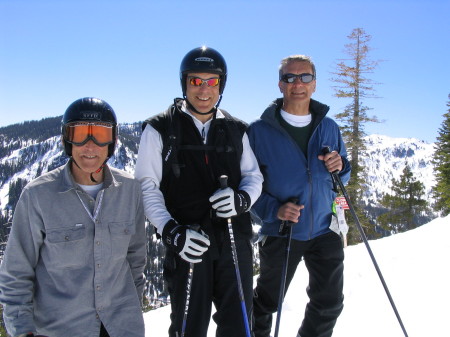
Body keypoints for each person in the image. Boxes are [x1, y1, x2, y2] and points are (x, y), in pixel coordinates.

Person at [135, 46, 263, 337]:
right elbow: (146, 186)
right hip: (188, 242)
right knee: (188, 327)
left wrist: (241, 200)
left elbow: (254, 177)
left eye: (212, 81)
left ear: (221, 85)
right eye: (195, 81)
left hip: (233, 239)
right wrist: (171, 231)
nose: (204, 89)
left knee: (239, 327)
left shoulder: (236, 129)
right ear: (184, 83)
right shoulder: (160, 129)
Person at [0, 98, 147, 337]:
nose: (90, 146)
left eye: (100, 134)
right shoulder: (38, 195)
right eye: (80, 134)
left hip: (122, 326)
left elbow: (135, 258)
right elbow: (17, 271)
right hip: (61, 328)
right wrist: (23, 330)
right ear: (67, 140)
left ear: (112, 141)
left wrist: (133, 308)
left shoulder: (129, 190)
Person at [247, 55, 351, 337]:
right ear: (280, 84)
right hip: (282, 230)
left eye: (304, 77)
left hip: (324, 227)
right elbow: (248, 185)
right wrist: (275, 210)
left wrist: (340, 166)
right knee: (266, 302)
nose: (297, 84)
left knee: (329, 302)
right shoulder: (258, 131)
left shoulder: (329, 126)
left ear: (314, 84)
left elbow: (342, 175)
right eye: (289, 78)